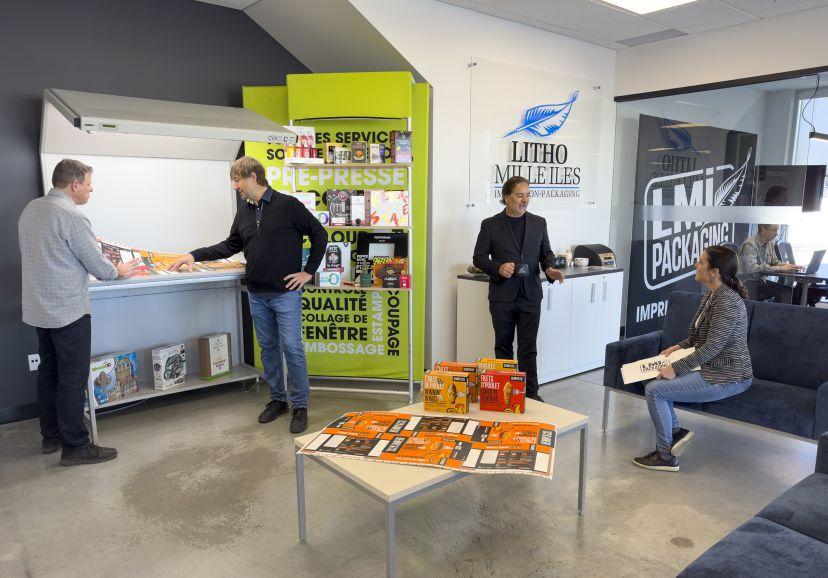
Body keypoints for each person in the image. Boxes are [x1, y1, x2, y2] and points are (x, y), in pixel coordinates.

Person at [170, 156, 327, 434]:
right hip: (257, 293)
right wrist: (193, 255)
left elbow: (319, 234)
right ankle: (278, 400)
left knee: (291, 348)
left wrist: (308, 272)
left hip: (285, 294)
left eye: (237, 180)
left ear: (253, 176)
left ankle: (300, 406)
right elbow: (229, 245)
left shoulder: (288, 205)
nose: (235, 186)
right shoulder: (244, 211)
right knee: (268, 349)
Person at [19, 159, 139, 466]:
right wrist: (119, 270)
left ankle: (51, 437)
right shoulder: (72, 216)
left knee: (49, 371)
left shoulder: (31, 209)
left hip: (39, 308)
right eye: (88, 184)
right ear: (74, 185)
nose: (90, 189)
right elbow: (101, 268)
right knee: (73, 377)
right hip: (68, 310)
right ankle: (76, 447)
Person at [633, 245, 753, 472]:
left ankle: (665, 456)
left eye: (700, 262)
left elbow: (713, 346)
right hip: (710, 367)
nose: (695, 265)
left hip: (728, 375)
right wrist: (678, 347)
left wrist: (676, 368)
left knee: (655, 390)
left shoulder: (726, 301)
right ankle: (676, 432)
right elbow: (698, 337)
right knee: (654, 381)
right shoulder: (712, 295)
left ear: (714, 272)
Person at [472, 176, 565, 402]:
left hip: (530, 295)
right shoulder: (490, 224)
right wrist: (498, 267)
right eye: (520, 195)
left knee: (528, 347)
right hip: (502, 296)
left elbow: (546, 253)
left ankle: (531, 394)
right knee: (503, 347)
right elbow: (479, 258)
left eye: (528, 195)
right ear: (507, 198)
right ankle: (505, 396)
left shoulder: (539, 222)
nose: (525, 200)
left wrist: (550, 269)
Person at [739, 224, 802, 303]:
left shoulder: (770, 243)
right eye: (774, 230)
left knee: (788, 291)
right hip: (748, 283)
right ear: (763, 230)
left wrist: (789, 266)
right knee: (785, 293)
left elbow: (774, 262)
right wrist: (780, 268)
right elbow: (752, 269)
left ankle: (776, 310)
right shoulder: (750, 245)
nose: (777, 234)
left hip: (760, 281)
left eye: (777, 230)